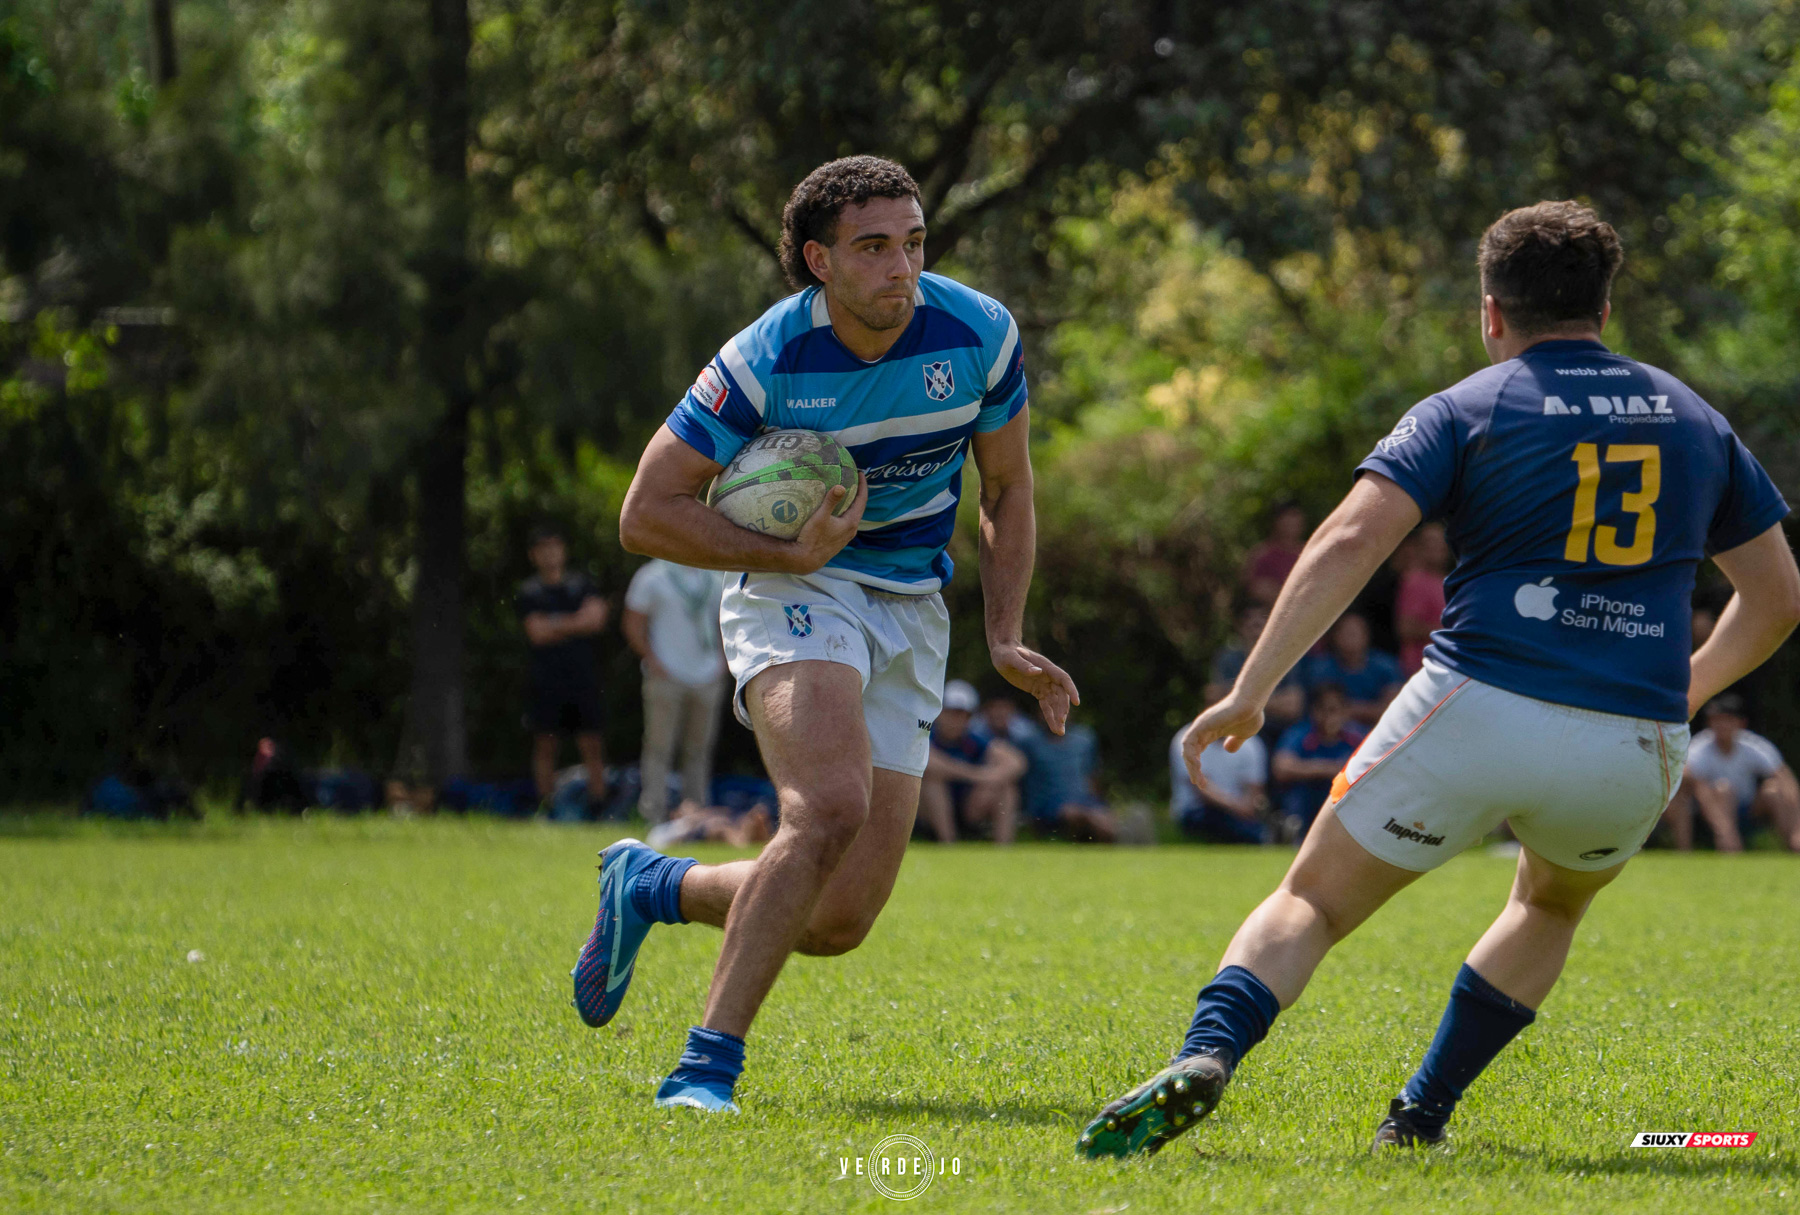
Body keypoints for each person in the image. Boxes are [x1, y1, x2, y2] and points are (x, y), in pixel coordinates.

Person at [1079, 200, 1798, 1160]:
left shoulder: (1470, 404)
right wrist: (1692, 688)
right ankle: (1418, 1118)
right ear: (1607, 310)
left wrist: (1251, 688)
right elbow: (1778, 598)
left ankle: (1209, 1054)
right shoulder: (1695, 418)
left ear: (1492, 312)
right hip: (1632, 740)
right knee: (1547, 905)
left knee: (1312, 902)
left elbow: (1347, 539)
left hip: (1478, 705)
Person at [571, 156, 1078, 1114]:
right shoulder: (764, 359)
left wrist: (1004, 635)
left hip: (911, 605)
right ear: (819, 260)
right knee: (827, 808)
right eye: (874, 247)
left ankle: (653, 885)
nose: (903, 267)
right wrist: (790, 557)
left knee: (840, 917)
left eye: (915, 242)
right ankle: (704, 1068)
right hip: (793, 586)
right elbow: (646, 512)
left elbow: (1007, 487)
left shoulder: (980, 335)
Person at [622, 558, 729, 824]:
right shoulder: (652, 575)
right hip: (666, 676)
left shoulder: (713, 577)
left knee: (699, 750)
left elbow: (726, 622)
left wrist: (722, 663)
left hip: (707, 676)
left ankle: (695, 817)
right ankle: (654, 816)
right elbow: (632, 623)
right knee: (659, 748)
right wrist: (653, 660)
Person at [517, 526, 610, 812]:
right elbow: (536, 633)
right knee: (545, 744)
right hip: (546, 680)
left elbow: (595, 620)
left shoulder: (583, 585)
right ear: (533, 555)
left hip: (582, 678)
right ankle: (546, 807)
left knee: (591, 743)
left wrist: (554, 623)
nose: (550, 553)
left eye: (555, 546)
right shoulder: (529, 592)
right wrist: (575, 622)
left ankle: (598, 806)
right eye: (543, 548)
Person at [1665, 694, 1800, 852]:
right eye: (1717, 720)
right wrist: (1725, 831)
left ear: (1741, 723)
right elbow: (1694, 783)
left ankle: (1794, 844)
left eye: (1728, 720)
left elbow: (1784, 776)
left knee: (1774, 790)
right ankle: (1723, 843)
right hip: (1710, 812)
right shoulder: (1699, 747)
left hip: (1750, 810)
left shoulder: (1752, 744)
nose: (1722, 725)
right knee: (1723, 789)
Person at [919, 680, 1025, 843]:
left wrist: (990, 778)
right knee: (932, 782)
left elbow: (1016, 762)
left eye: (962, 714)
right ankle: (948, 843)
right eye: (951, 712)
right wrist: (977, 775)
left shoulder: (974, 740)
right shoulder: (927, 734)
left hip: (968, 807)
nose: (956, 719)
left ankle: (1004, 850)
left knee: (1006, 789)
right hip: (927, 811)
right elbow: (928, 762)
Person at [1270, 684, 1364, 841]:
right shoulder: (1299, 734)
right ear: (1314, 711)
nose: (1329, 716)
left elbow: (1372, 770)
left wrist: (1314, 768)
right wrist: (1328, 769)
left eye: (1334, 710)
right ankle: (1293, 836)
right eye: (1323, 709)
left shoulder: (1356, 737)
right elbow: (1281, 768)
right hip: (1307, 798)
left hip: (1344, 801)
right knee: (1298, 793)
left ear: (1345, 711)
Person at [1206, 604, 1304, 741]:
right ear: (1239, 626)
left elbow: (1293, 707)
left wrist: (1239, 701)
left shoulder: (1286, 657)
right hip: (1237, 730)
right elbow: (1213, 698)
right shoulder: (1227, 658)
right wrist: (1271, 702)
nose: (1254, 622)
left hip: (1279, 732)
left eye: (1261, 617)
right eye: (1248, 618)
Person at [1016, 712, 1116, 841]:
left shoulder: (1084, 739)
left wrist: (1096, 800)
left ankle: (1117, 836)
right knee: (1075, 813)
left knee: (1099, 814)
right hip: (1047, 805)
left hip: (1083, 800)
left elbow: (1092, 775)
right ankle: (1121, 837)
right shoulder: (1029, 743)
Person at [1171, 722, 1269, 845]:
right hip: (1198, 809)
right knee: (1240, 828)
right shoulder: (1187, 738)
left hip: (1239, 811)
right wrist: (1239, 808)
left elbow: (1255, 788)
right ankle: (1265, 837)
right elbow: (1200, 786)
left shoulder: (1250, 743)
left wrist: (1249, 807)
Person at [1303, 612, 1403, 726]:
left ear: (1366, 635)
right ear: (1334, 636)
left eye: (1354, 633)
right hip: (1332, 731)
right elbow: (1322, 710)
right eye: (1345, 633)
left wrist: (1353, 709)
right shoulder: (1321, 669)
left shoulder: (1386, 666)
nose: (1350, 638)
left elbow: (1392, 709)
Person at [1395, 523, 1450, 674]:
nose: (1436, 547)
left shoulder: (1447, 580)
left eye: (1440, 541)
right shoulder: (1414, 580)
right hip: (1421, 666)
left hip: (1444, 664)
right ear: (1420, 547)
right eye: (1429, 542)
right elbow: (1406, 628)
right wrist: (1451, 631)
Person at [1243, 503, 1308, 606]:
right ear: (1276, 521)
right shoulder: (1261, 554)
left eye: (1295, 515)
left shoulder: (1309, 553)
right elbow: (1254, 588)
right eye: (1287, 516)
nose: (1291, 522)